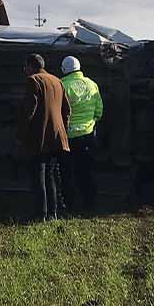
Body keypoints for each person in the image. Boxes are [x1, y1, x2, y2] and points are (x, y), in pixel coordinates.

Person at [19, 53, 70, 221]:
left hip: (39, 136)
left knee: (38, 175)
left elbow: (29, 111)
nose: (24, 70)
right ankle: (52, 213)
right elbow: (66, 110)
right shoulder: (57, 81)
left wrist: (22, 133)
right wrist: (63, 129)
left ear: (31, 66)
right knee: (50, 175)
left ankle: (40, 214)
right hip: (56, 136)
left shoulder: (33, 81)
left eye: (25, 66)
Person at [57, 56, 103, 213]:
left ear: (63, 69)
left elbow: (58, 112)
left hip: (69, 138)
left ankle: (70, 204)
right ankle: (90, 202)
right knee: (86, 170)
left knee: (68, 172)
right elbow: (99, 111)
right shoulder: (92, 84)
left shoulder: (62, 86)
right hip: (89, 135)